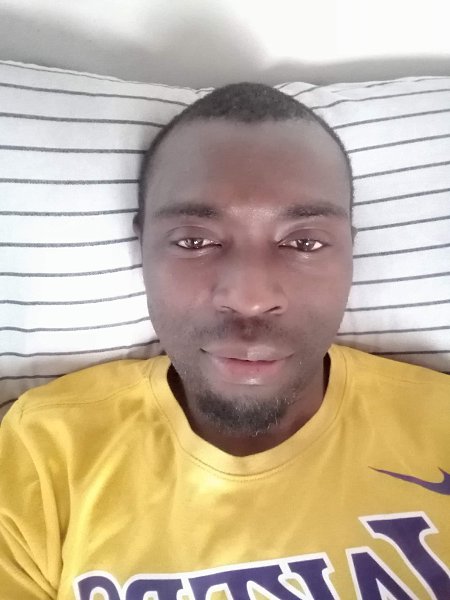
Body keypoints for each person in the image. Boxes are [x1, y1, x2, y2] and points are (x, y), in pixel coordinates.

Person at [0, 83, 448, 600]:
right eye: (194, 241)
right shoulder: (44, 451)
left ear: (351, 251)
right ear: (142, 246)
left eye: (304, 242)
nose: (251, 299)